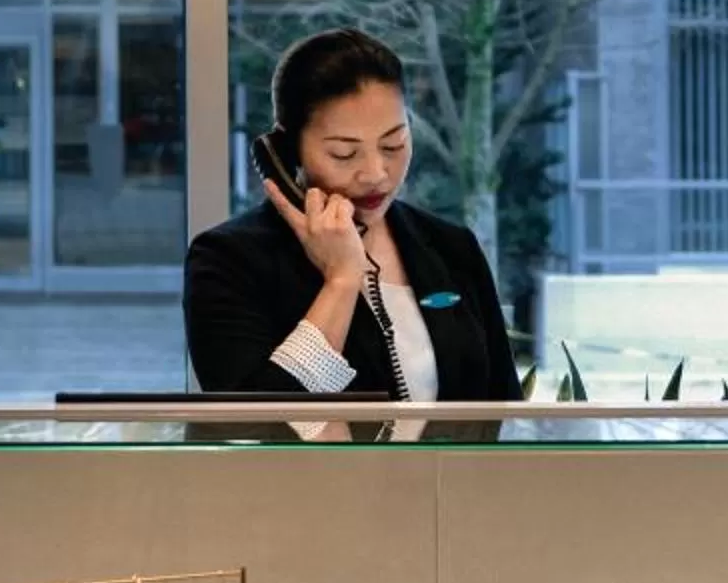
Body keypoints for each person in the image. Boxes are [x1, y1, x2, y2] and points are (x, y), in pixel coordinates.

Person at [184, 27, 522, 402]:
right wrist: (342, 280)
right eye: (344, 154)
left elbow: (501, 404)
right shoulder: (228, 259)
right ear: (287, 150)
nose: (376, 174)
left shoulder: (451, 247)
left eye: (394, 144)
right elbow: (262, 423)